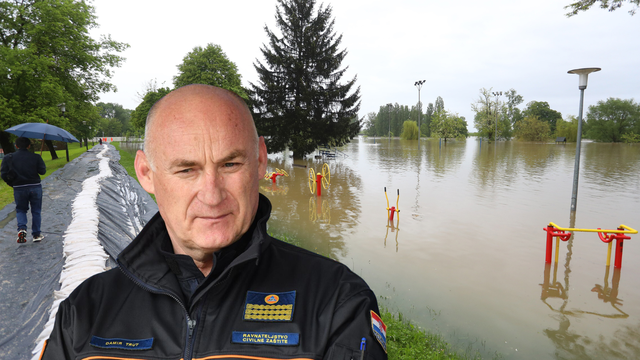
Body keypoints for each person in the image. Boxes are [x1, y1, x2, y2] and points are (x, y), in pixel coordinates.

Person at [40, 85, 388, 359]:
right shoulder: (84, 312)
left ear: (260, 161)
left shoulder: (337, 302)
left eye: (230, 165)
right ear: (146, 173)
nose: (212, 194)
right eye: (187, 169)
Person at [0, 137, 46, 243]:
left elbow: (3, 174)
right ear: (29, 146)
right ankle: (36, 234)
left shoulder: (8, 158)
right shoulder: (35, 157)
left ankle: (22, 229)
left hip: (19, 188)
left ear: (16, 146)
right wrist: (39, 161)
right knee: (36, 211)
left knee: (21, 210)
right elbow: (42, 172)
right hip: (35, 186)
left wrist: (12, 184)